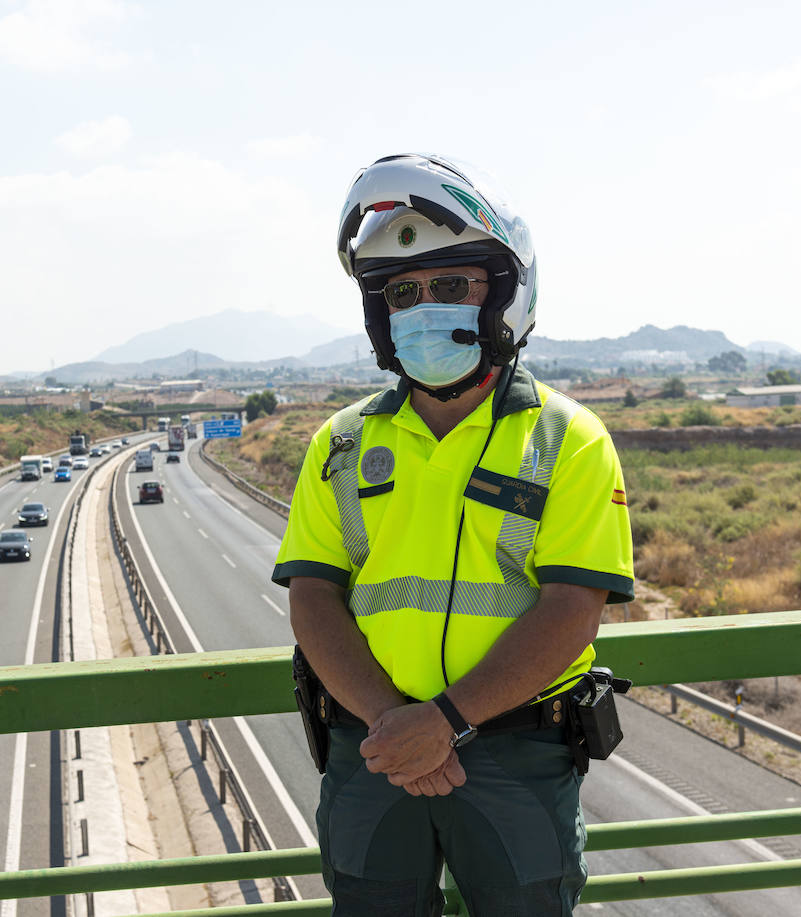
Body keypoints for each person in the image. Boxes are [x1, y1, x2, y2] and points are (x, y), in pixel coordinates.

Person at [273, 153, 634, 916]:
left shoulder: (568, 439)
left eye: (450, 285)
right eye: (402, 292)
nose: (423, 307)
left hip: (514, 754)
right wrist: (394, 725)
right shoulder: (339, 445)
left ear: (503, 294)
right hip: (373, 748)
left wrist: (442, 723)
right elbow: (313, 601)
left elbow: (572, 610)